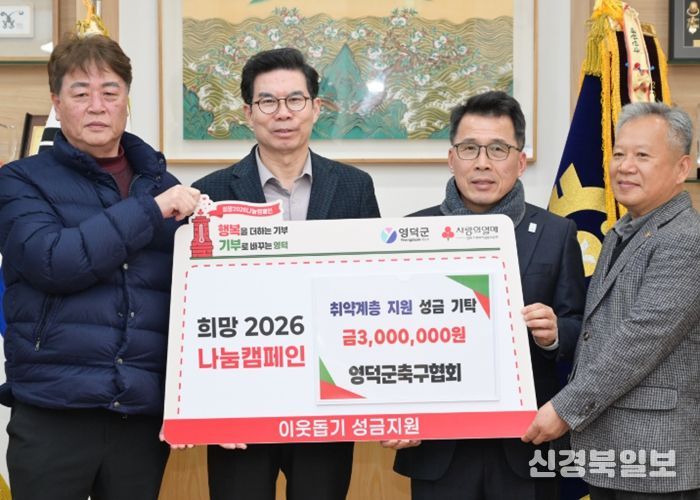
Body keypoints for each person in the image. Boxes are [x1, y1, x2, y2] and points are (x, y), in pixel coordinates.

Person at [0, 34, 200, 500]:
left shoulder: (162, 183)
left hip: (140, 414)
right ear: (57, 102)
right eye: (80, 92)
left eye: (110, 92)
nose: (97, 106)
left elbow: (189, 298)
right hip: (53, 410)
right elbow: (54, 261)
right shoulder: (20, 180)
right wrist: (151, 210)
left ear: (126, 100)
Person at [192, 47, 380, 500]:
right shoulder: (209, 194)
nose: (283, 113)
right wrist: (207, 403)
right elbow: (197, 305)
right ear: (248, 113)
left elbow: (373, 286)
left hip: (327, 394)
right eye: (267, 101)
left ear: (315, 107)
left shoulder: (355, 187)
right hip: (240, 399)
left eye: (295, 100)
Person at [388, 90, 586, 500]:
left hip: (526, 442)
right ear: (451, 158)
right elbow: (388, 333)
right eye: (469, 148)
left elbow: (580, 326)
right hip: (437, 445)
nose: (482, 162)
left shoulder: (556, 233)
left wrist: (554, 334)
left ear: (520, 161)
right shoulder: (410, 232)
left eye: (498, 149)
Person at [523, 102, 700, 498]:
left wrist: (564, 409)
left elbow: (639, 341)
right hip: (615, 453)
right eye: (619, 154)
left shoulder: (687, 239)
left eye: (643, 156)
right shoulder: (625, 231)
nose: (625, 166)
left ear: (681, 169)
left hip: (657, 459)